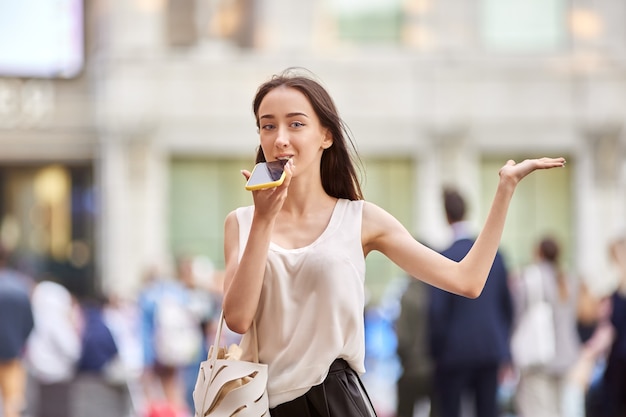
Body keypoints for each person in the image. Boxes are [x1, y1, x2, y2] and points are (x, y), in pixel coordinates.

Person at [220, 67, 566, 417]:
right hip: (262, 404)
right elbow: (237, 318)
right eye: (268, 125)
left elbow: (467, 280)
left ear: (326, 135)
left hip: (335, 401)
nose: (280, 138)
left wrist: (505, 190)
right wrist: (264, 220)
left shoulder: (360, 219)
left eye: (296, 124)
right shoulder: (242, 223)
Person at [428, 187, 514, 417]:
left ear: (446, 216)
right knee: (488, 411)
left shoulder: (443, 256)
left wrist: (436, 353)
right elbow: (508, 307)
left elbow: (437, 312)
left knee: (451, 411)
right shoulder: (496, 255)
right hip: (489, 348)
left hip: (454, 352)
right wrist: (503, 346)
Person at [512, 235, 582, 417]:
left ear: (539, 252)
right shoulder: (569, 281)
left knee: (538, 410)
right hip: (566, 356)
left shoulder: (530, 279)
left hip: (539, 359)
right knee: (559, 410)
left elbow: (516, 317)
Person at [396, 276, 438, 417]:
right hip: (437, 368)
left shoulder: (408, 295)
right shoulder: (440, 294)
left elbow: (402, 337)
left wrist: (405, 359)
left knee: (405, 411)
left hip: (412, 368)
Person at [0, 243, 34, 417]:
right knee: (12, 407)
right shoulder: (20, 286)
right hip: (13, 357)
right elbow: (29, 324)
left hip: (12, 355)